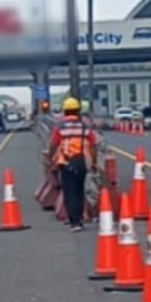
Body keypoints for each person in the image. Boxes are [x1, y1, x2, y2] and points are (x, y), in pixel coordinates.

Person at [47, 97, 99, 232]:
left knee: (69, 191)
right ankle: (79, 219)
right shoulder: (84, 126)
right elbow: (93, 145)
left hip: (65, 161)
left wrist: (49, 156)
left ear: (65, 111)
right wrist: (93, 162)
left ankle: (74, 221)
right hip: (81, 161)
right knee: (79, 190)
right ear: (78, 111)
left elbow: (54, 143)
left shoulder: (60, 126)